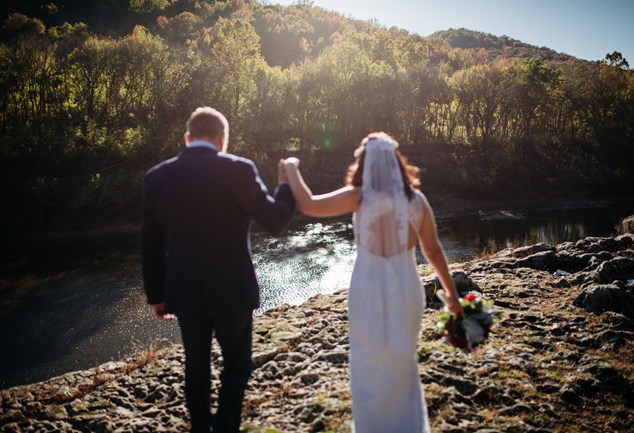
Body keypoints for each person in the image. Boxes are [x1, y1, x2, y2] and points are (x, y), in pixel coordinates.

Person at [281, 132, 463, 433]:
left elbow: (309, 204)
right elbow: (433, 251)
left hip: (366, 291)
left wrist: (291, 167)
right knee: (404, 365)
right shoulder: (416, 201)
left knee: (367, 365)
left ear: (364, 164)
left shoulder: (359, 196)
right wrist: (452, 296)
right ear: (396, 162)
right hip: (406, 290)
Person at [141, 107, 295, 433]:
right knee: (237, 366)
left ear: (187, 138)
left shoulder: (157, 177)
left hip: (184, 293)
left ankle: (200, 429)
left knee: (195, 366)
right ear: (223, 139)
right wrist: (285, 184)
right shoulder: (238, 170)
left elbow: (150, 244)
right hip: (233, 290)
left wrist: (157, 294)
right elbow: (277, 221)